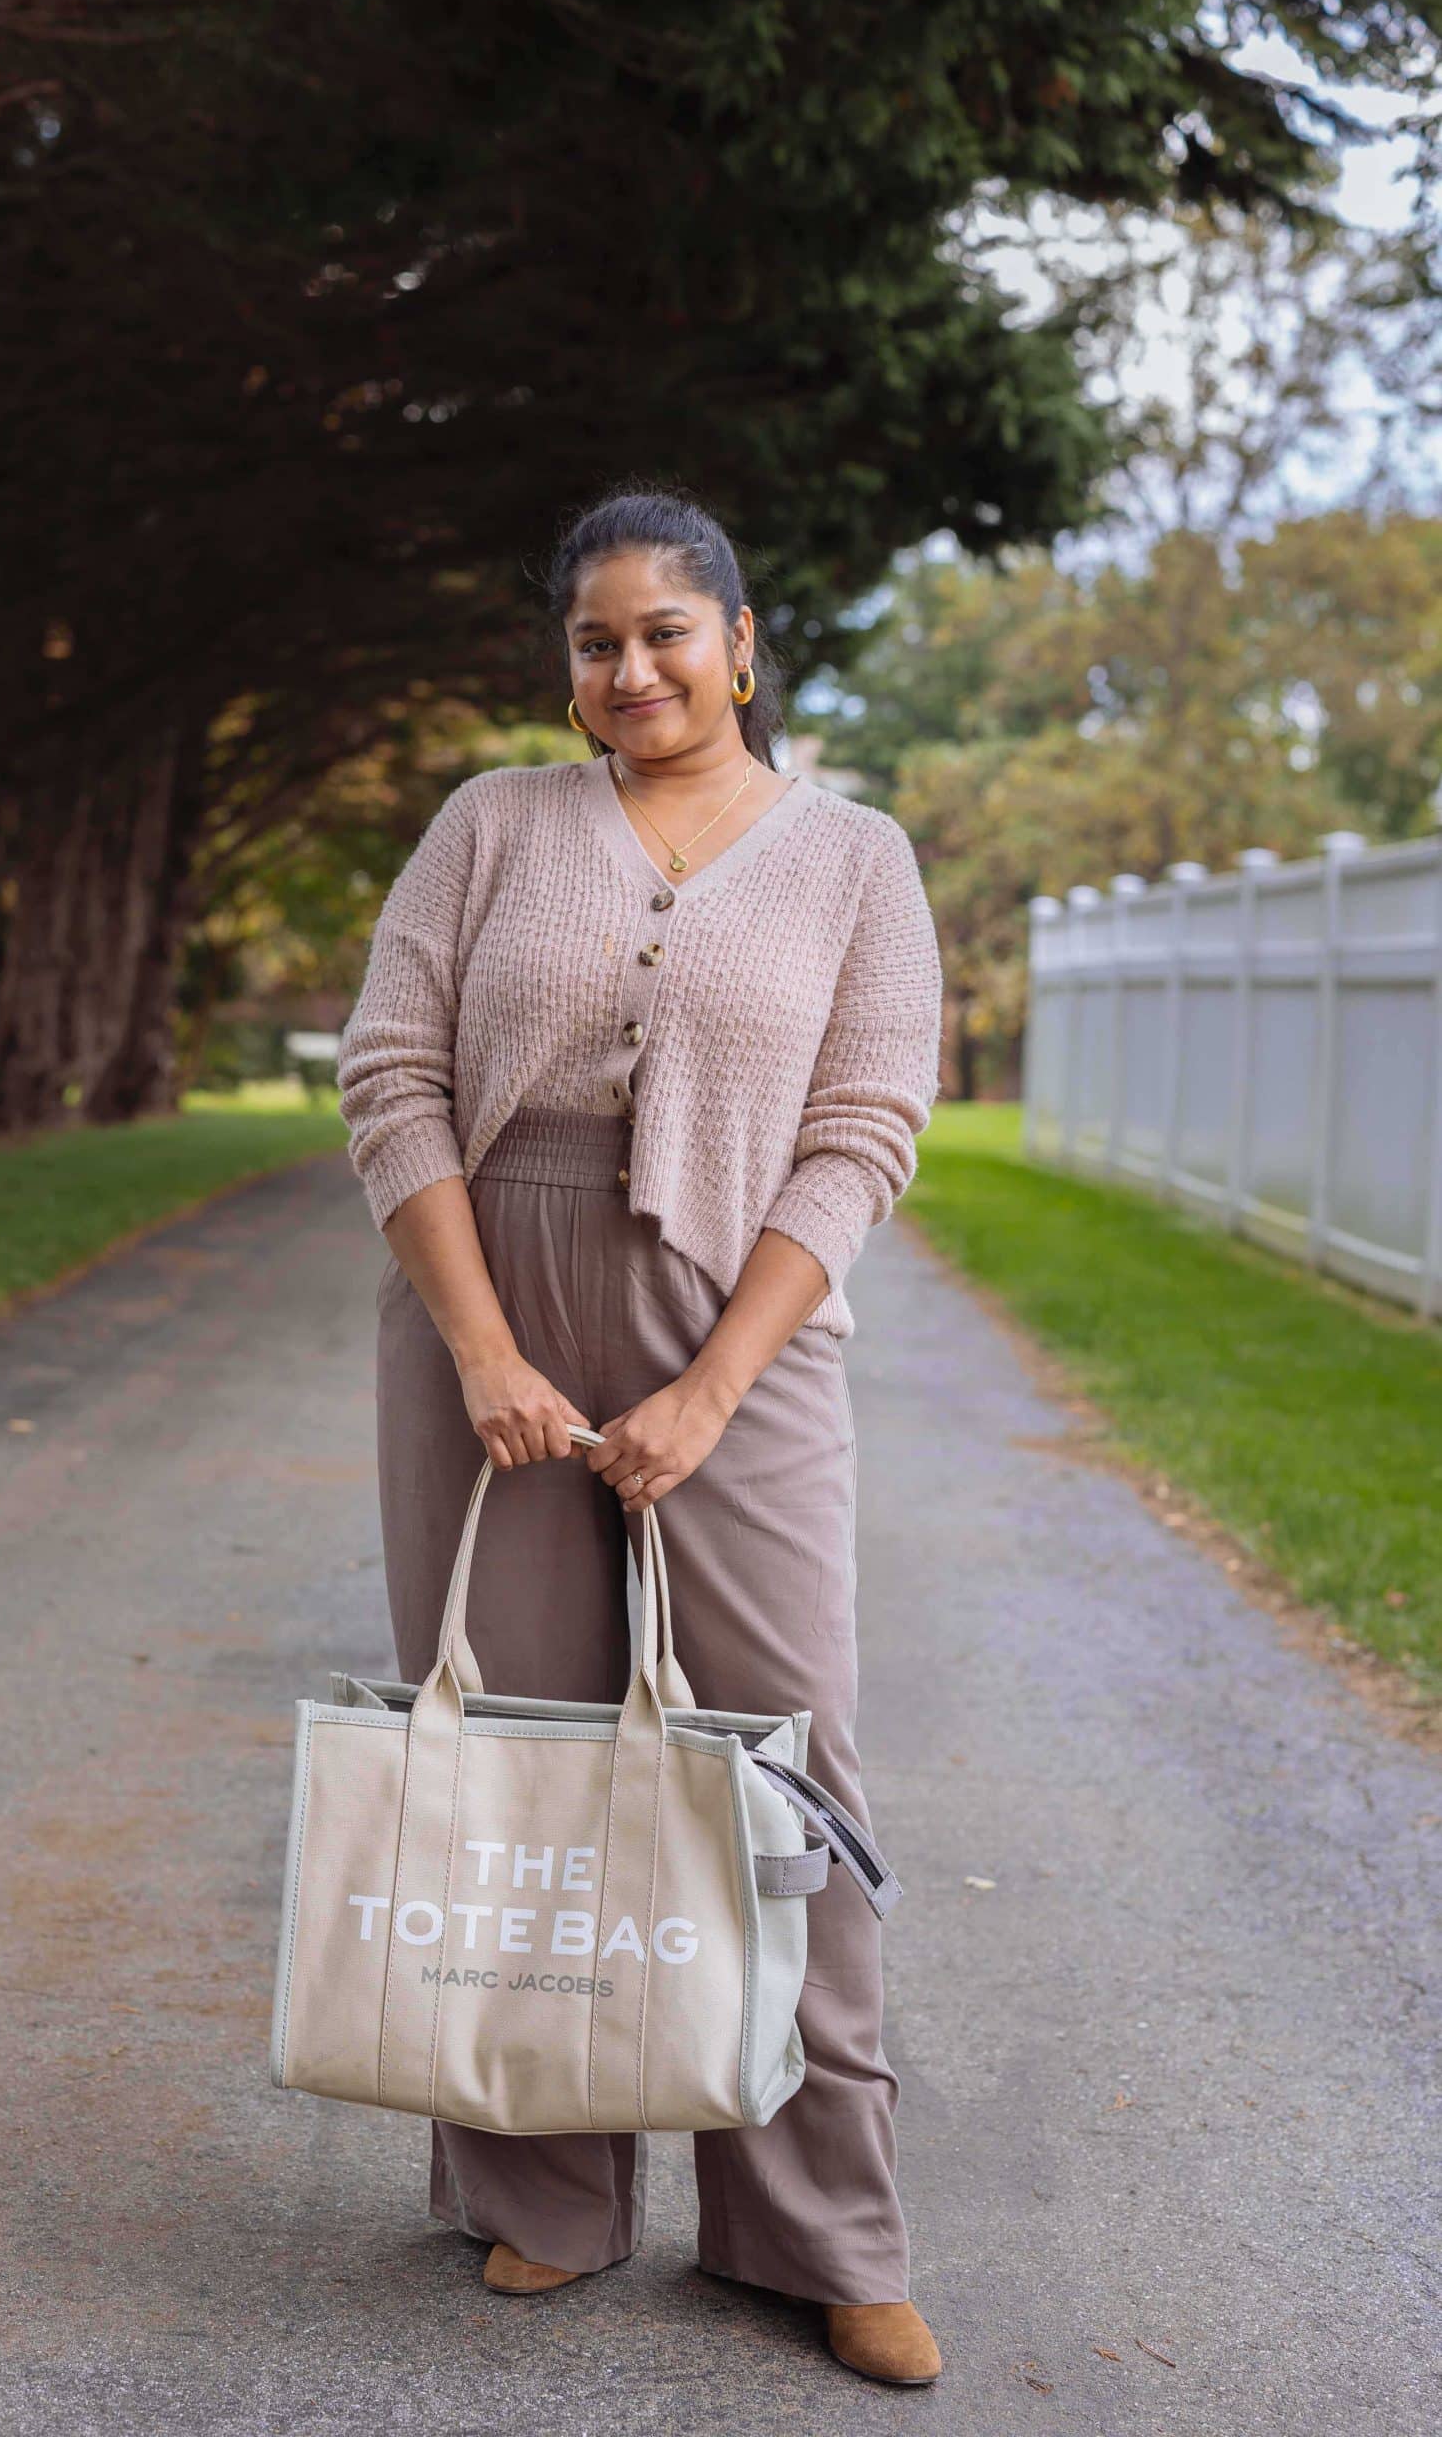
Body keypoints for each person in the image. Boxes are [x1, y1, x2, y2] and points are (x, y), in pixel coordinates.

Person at [334, 485, 945, 2388]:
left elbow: (863, 1132)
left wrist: (707, 1388)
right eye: (595, 641)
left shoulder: (856, 859)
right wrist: (486, 1352)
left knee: (784, 1772)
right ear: (566, 666)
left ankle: (815, 2231)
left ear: (744, 645)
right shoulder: (491, 826)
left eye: (668, 632)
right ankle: (543, 2191)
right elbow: (393, 1075)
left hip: (737, 1323)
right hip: (482, 1308)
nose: (632, 670)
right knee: (525, 1755)